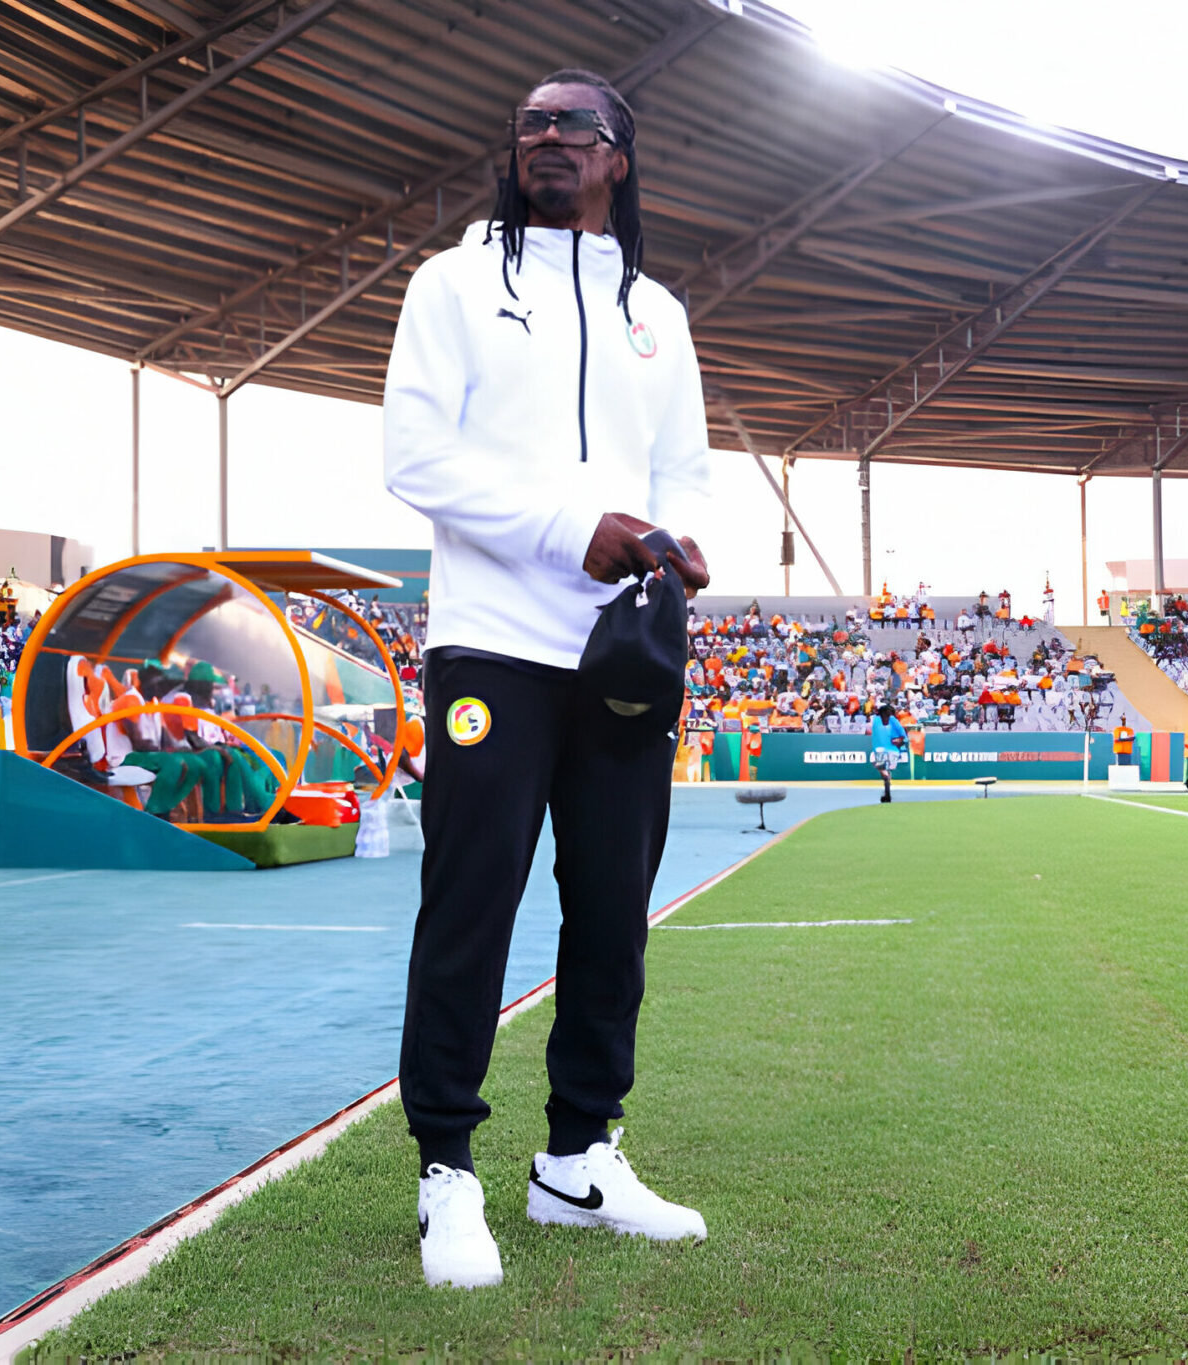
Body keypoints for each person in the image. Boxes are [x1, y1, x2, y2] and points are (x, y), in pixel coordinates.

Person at [382, 66, 712, 1289]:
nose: (547, 138)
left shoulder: (656, 314)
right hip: (491, 643)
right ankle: (446, 1171)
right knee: (472, 898)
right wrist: (554, 530)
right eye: (528, 123)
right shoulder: (453, 283)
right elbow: (412, 455)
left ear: (617, 158)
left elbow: (685, 465)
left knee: (611, 907)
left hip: (620, 652)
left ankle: (579, 1157)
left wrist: (674, 546)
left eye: (575, 126)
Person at [869, 706, 908, 802]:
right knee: (884, 766)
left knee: (875, 762)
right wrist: (900, 739)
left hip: (881, 750)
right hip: (892, 751)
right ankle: (887, 776)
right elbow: (903, 735)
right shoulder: (892, 720)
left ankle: (886, 776)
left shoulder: (876, 719)